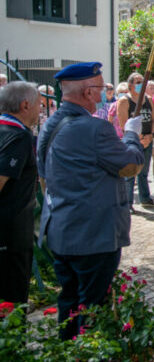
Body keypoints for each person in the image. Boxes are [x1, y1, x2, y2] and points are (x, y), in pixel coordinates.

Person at [37, 62, 144, 340]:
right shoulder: (95, 129)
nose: (102, 93)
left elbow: (44, 175)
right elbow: (131, 165)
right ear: (87, 92)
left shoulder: (49, 124)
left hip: (61, 231)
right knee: (93, 309)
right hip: (94, 236)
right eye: (98, 87)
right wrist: (131, 133)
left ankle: (67, 350)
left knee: (69, 302)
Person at [0, 82, 41, 304]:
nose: (41, 110)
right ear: (25, 105)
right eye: (38, 104)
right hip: (11, 236)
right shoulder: (18, 136)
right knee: (12, 304)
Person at [117, 72, 154, 206]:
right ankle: (128, 202)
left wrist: (150, 136)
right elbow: (123, 124)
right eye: (138, 82)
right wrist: (139, 138)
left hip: (147, 140)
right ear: (130, 85)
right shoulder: (124, 101)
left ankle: (145, 198)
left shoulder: (148, 99)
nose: (141, 84)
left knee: (144, 172)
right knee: (130, 173)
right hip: (132, 142)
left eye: (143, 81)